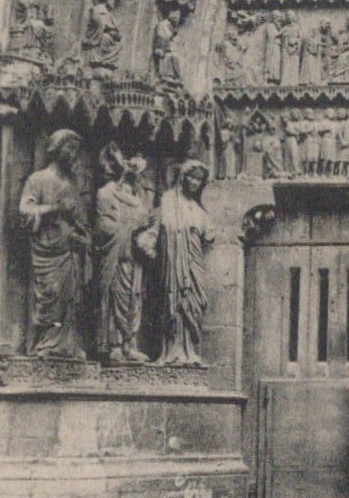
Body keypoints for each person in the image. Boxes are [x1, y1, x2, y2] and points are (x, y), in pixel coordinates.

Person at [19, 130, 91, 359]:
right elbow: (25, 210)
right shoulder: (38, 179)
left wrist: (82, 236)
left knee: (71, 298)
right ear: (56, 148)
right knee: (50, 295)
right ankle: (45, 344)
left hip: (68, 250)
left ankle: (66, 345)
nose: (73, 154)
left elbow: (78, 219)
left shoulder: (71, 183)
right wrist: (55, 208)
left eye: (76, 150)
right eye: (69, 148)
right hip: (47, 250)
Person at [94, 146, 156, 364]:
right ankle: (115, 345)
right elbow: (104, 229)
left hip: (135, 260)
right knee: (115, 299)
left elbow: (145, 228)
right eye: (132, 170)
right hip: (116, 259)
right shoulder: (105, 194)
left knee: (135, 300)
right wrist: (134, 225)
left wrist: (147, 235)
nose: (137, 177)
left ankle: (130, 344)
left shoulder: (139, 201)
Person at [155, 161, 214, 366]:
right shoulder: (169, 199)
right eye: (192, 177)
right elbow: (166, 226)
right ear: (183, 177)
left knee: (196, 298)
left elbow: (209, 234)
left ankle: (190, 351)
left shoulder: (198, 208)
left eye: (199, 179)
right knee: (176, 299)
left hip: (194, 259)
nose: (195, 182)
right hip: (175, 259)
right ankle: (174, 350)